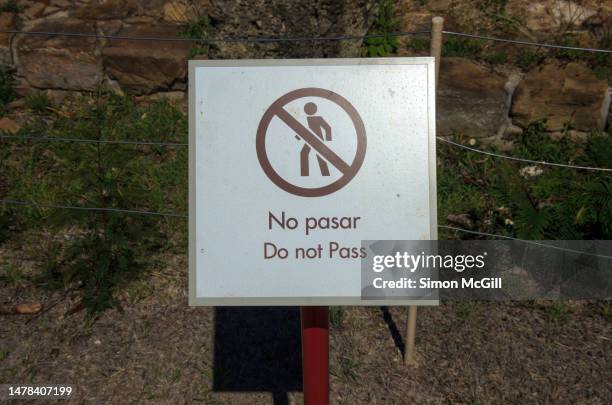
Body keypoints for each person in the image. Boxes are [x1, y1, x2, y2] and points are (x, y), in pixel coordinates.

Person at [300, 102, 331, 176]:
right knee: (304, 153)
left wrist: (328, 139)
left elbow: (327, 128)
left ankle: (325, 173)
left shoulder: (318, 118)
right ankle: (305, 173)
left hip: (317, 140)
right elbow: (302, 131)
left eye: (310, 108)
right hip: (308, 141)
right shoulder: (304, 119)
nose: (308, 110)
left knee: (319, 156)